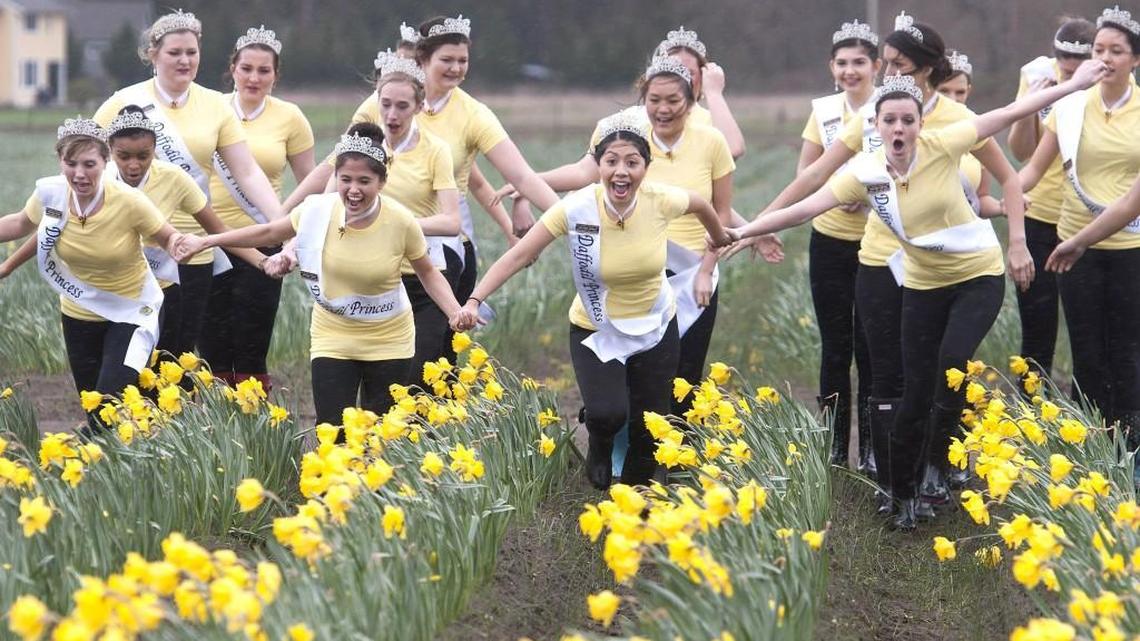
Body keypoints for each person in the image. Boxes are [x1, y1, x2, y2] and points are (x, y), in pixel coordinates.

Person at [733, 61, 1107, 530]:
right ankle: (903, 493)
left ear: (920, 125)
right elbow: (806, 206)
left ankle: (938, 466)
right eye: (889, 120)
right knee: (913, 391)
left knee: (949, 365)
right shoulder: (866, 174)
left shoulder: (944, 145)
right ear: (876, 125)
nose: (899, 128)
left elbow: (1010, 112)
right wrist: (743, 230)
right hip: (924, 284)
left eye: (908, 120)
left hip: (976, 277)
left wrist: (1073, 84)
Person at [752, 12, 1030, 512]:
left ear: (927, 69)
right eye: (887, 64)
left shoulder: (958, 122)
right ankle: (890, 477)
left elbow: (1003, 181)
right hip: (882, 259)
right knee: (887, 375)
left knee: (939, 369)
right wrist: (764, 221)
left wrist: (1015, 240)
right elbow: (817, 177)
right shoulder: (876, 114)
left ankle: (935, 467)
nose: (887, 75)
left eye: (899, 65)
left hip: (948, 267)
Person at [453, 112, 735, 490]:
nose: (622, 172)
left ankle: (631, 503)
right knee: (607, 413)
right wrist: (473, 299)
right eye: (612, 161)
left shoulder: (661, 201)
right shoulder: (577, 208)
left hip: (654, 327)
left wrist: (717, 237)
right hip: (595, 328)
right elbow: (520, 256)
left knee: (649, 425)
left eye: (632, 163)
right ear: (599, 165)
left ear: (645, 168)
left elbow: (702, 204)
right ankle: (599, 442)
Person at [172, 126, 469, 429]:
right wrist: (206, 241)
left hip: (388, 338)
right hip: (333, 336)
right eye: (346, 180)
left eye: (364, 181)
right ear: (336, 178)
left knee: (381, 435)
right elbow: (269, 232)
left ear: (382, 182)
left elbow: (428, 272)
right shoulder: (317, 211)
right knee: (333, 430)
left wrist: (454, 311)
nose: (354, 189)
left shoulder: (401, 222)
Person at [0, 107, 266, 357]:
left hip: (159, 288)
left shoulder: (173, 178)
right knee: (118, 382)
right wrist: (8, 266)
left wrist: (264, 262)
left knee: (171, 370)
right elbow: (51, 229)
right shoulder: (94, 180)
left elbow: (216, 229)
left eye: (143, 155)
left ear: (154, 150)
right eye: (124, 156)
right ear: (110, 153)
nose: (134, 166)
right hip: (106, 293)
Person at [92, 10, 284, 355]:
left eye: (191, 53)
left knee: (176, 356)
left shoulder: (214, 105)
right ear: (153, 54)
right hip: (130, 249)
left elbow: (248, 172)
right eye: (174, 53)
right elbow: (85, 164)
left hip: (192, 252)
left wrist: (282, 224)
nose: (185, 60)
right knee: (132, 353)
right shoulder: (121, 102)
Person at [276, 52, 462, 380]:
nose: (391, 114)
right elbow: (325, 204)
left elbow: (451, 222)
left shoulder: (435, 151)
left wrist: (394, 226)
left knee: (416, 381)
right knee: (372, 382)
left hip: (421, 276)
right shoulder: (358, 146)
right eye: (385, 103)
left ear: (419, 107)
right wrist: (291, 247)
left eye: (402, 106)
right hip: (369, 278)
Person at [0, 118, 187, 425]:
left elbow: (168, 237)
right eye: (70, 163)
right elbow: (20, 224)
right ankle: (113, 467)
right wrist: (7, 266)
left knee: (109, 405)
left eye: (89, 164)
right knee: (94, 408)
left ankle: (92, 456)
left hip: (132, 312)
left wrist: (179, 245)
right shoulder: (51, 194)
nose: (79, 174)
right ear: (60, 161)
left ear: (105, 161)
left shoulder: (129, 201)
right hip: (79, 312)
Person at [1020, 6, 1140, 448]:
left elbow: (1133, 202)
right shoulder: (1069, 106)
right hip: (1073, 247)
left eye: (1117, 51)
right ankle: (1089, 450)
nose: (1105, 57)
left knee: (1126, 352)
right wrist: (995, 202)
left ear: (1135, 60)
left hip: (1129, 248)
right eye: (1099, 49)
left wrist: (1079, 242)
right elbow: (1031, 169)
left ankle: (1130, 450)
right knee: (1087, 353)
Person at [197, 25, 315, 390]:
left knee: (252, 339)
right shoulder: (207, 109)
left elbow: (311, 183)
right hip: (208, 238)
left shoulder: (291, 117)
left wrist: (292, 235)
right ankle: (214, 421)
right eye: (246, 68)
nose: (254, 77)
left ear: (275, 76)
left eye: (264, 70)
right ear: (232, 68)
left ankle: (250, 421)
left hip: (264, 241)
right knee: (210, 342)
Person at [797, 19, 880, 473]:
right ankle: (833, 445)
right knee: (835, 347)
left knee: (870, 347)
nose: (850, 71)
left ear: (876, 66)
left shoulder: (891, 107)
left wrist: (864, 196)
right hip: (829, 240)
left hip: (877, 244)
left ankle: (869, 446)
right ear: (832, 67)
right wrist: (838, 189)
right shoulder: (824, 110)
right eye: (843, 63)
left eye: (859, 62)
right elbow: (807, 171)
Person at [1007, 18, 1097, 378]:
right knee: (1037, 328)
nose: (1069, 74)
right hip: (1040, 216)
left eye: (1077, 69)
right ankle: (1032, 416)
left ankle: (1088, 421)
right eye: (1064, 65)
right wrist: (1030, 106)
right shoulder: (1037, 77)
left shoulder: (1107, 88)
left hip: (1086, 221)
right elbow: (1021, 152)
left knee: (1087, 331)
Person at [936, 50, 1005, 219]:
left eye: (960, 92)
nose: (952, 99)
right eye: (944, 91)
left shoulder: (978, 129)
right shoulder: (912, 125)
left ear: (969, 90)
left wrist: (1002, 208)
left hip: (962, 236)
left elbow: (980, 199)